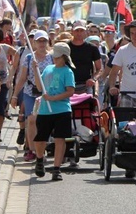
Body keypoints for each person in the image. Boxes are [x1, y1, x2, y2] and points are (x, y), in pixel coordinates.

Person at [32, 42, 76, 181]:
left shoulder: (68, 72)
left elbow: (70, 91)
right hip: (45, 110)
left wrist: (53, 98)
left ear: (64, 57)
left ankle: (56, 169)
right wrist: (35, 70)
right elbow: (40, 87)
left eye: (57, 56)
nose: (55, 59)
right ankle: (39, 159)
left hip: (62, 110)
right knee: (40, 139)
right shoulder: (48, 69)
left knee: (60, 139)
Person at [11, 30, 53, 162]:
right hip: (30, 93)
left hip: (46, 94)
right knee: (31, 120)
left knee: (44, 121)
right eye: (39, 41)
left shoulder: (52, 58)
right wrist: (14, 95)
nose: (41, 44)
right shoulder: (29, 58)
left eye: (44, 41)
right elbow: (22, 78)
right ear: (34, 42)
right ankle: (31, 149)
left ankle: (42, 148)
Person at [68, 20, 102, 94]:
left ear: (86, 32)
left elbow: (99, 69)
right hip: (67, 86)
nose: (79, 33)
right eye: (77, 30)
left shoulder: (92, 48)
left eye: (81, 30)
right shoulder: (66, 47)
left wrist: (93, 79)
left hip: (86, 86)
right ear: (72, 31)